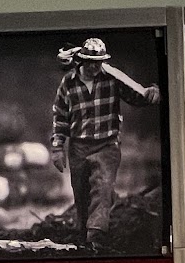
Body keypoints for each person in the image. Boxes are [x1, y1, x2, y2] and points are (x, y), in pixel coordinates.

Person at [49, 37, 160, 251]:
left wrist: (151, 94)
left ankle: (96, 235)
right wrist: (57, 148)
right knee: (82, 193)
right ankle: (83, 235)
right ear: (82, 61)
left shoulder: (111, 77)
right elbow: (60, 117)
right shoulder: (68, 83)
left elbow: (135, 95)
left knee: (102, 186)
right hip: (79, 147)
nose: (95, 67)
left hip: (107, 145)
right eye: (91, 62)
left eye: (99, 62)